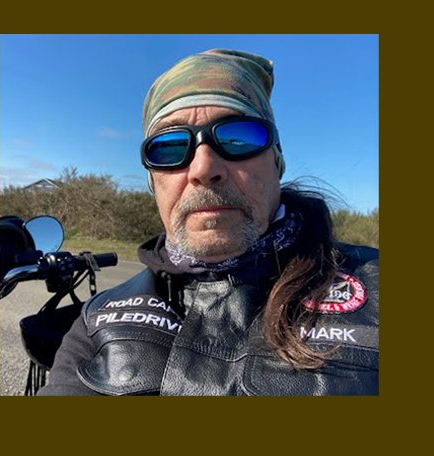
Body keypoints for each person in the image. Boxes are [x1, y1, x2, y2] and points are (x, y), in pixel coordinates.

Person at [38, 49, 378, 396]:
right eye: (170, 147)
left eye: (238, 137)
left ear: (277, 162)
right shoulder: (98, 321)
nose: (203, 168)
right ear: (153, 182)